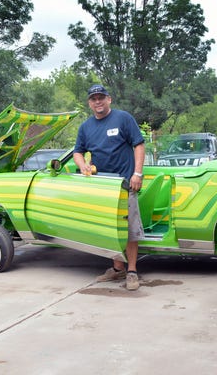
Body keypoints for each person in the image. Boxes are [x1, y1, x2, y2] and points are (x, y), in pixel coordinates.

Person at [73, 84, 146, 291]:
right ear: (89, 103)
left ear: (109, 99)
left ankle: (131, 271)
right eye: (94, 98)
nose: (98, 101)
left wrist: (137, 174)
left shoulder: (123, 118)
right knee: (109, 229)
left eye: (101, 97)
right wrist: (82, 165)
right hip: (102, 188)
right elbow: (78, 152)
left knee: (130, 229)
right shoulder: (86, 127)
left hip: (124, 184)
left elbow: (138, 145)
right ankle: (117, 268)